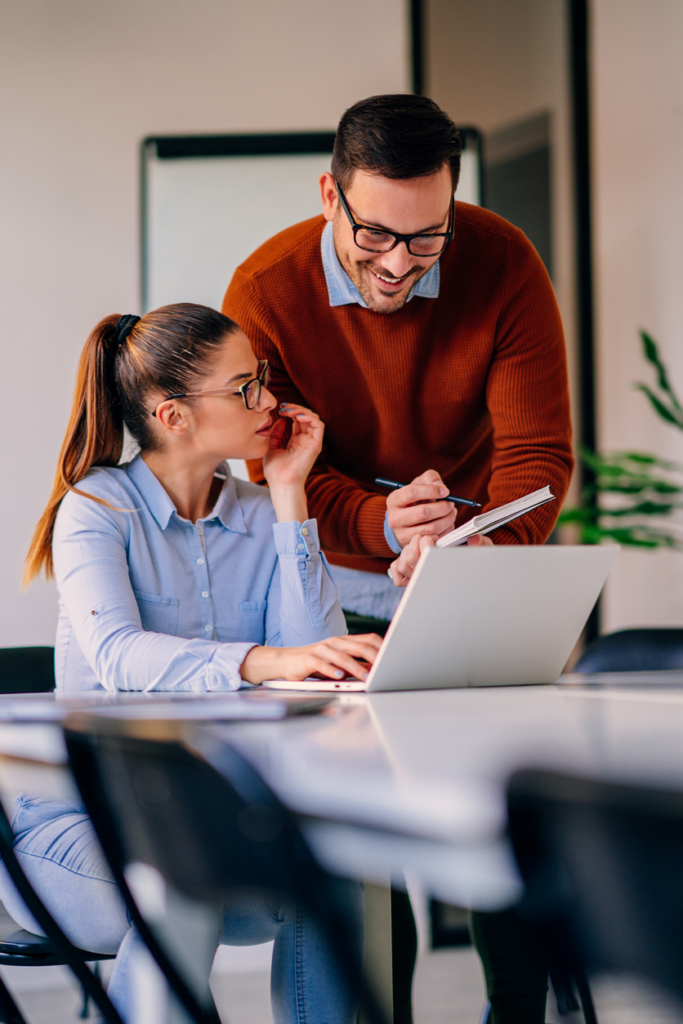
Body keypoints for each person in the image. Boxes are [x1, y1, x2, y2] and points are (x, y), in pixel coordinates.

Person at [222, 94, 574, 1024]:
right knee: (364, 836)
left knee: (503, 808)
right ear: (328, 195)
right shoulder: (265, 290)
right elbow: (271, 468)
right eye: (374, 233)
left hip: (469, 559)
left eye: (427, 240)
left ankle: (517, 1013)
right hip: (330, 584)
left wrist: (469, 550)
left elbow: (538, 458)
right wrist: (378, 525)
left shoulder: (501, 261)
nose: (396, 264)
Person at [5, 303, 380, 1023]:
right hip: (76, 832)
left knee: (334, 866)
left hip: (208, 819)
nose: (269, 399)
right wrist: (266, 662)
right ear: (172, 416)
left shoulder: (258, 509)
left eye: (261, 378)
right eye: (245, 388)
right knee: (176, 877)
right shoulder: (95, 509)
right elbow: (117, 656)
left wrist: (290, 494)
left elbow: (315, 665)